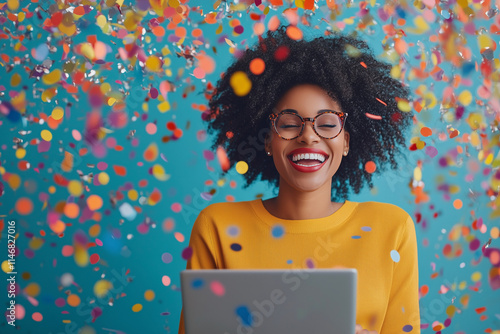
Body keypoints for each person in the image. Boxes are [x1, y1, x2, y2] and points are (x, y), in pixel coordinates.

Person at [178, 25, 420, 334]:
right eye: (290, 123)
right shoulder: (218, 228)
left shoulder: (391, 229)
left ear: (346, 140)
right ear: (267, 139)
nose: (308, 137)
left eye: (328, 123)